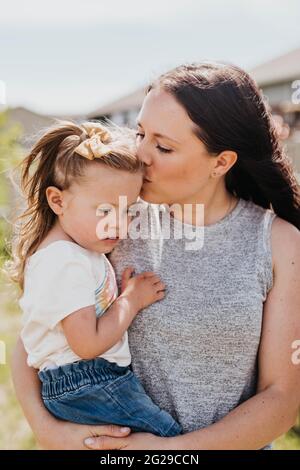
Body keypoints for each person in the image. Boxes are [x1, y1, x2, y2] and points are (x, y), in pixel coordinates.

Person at [11, 62, 300, 450]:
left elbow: (281, 400)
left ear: (221, 162)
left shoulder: (278, 243)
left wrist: (165, 453)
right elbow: (35, 336)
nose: (140, 154)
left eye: (163, 146)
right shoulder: (109, 223)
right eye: (140, 133)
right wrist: (47, 430)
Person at [9, 120, 182, 438]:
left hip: (83, 381)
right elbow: (87, 344)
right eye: (105, 211)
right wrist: (131, 300)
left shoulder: (76, 250)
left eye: (128, 210)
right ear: (57, 200)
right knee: (170, 439)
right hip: (86, 380)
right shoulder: (64, 260)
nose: (120, 224)